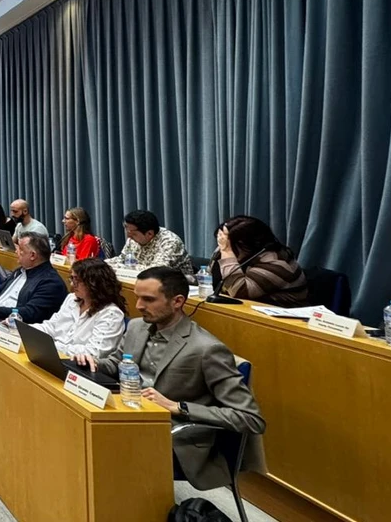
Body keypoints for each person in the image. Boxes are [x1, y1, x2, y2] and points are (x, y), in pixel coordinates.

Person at [74, 267, 266, 490]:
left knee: (95, 447)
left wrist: (178, 406)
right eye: (137, 297)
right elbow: (118, 363)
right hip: (130, 416)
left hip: (174, 436)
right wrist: (92, 362)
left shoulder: (206, 349)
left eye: (148, 299)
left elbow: (250, 418)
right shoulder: (137, 327)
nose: (138, 306)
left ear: (177, 301)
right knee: (75, 426)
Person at [33, 258, 125, 358]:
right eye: (72, 278)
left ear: (94, 283)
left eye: (77, 280)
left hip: (79, 366)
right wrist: (24, 330)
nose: (72, 284)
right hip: (53, 355)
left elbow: (94, 352)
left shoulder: (111, 314)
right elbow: (51, 326)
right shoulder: (71, 299)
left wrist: (52, 346)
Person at [0, 232, 65, 323]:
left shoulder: (50, 282)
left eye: (20, 249)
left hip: (13, 327)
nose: (16, 251)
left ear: (33, 255)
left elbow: (27, 313)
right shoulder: (20, 271)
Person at [210, 216, 307, 306]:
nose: (221, 247)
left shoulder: (278, 263)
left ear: (250, 245)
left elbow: (238, 292)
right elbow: (209, 280)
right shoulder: (231, 251)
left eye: (228, 243)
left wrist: (227, 251)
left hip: (282, 319)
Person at [107, 210, 192, 273]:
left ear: (150, 234)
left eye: (133, 234)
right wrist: (102, 264)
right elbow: (122, 259)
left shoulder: (170, 242)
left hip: (173, 288)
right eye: (127, 231)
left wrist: (120, 267)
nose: (128, 237)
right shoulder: (132, 240)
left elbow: (156, 271)